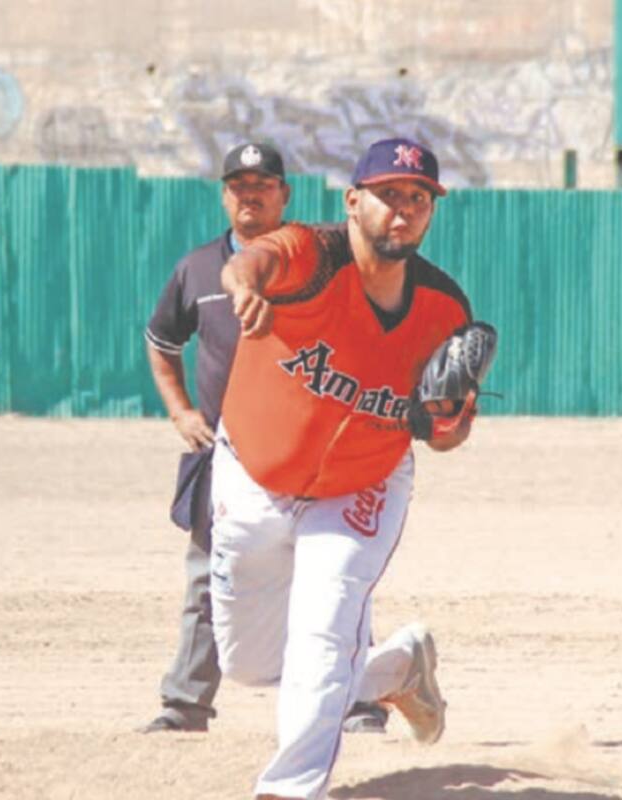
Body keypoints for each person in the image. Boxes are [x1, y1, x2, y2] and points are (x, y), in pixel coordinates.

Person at [212, 137, 476, 799]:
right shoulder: (310, 253)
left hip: (362, 484)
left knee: (324, 630)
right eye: (388, 195)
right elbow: (249, 262)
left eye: (418, 198)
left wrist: (447, 423)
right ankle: (397, 669)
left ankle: (289, 788)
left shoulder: (444, 309)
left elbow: (448, 436)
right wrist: (245, 286)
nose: (403, 209)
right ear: (353, 201)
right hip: (253, 472)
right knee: (250, 665)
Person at [140, 142, 390, 735]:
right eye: (238, 186)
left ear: (285, 194)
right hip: (229, 454)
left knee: (333, 575)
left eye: (263, 185)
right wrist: (180, 412)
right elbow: (162, 341)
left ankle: (359, 702)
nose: (249, 195)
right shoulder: (198, 269)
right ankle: (185, 705)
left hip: (312, 448)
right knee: (210, 576)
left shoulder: (321, 260)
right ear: (224, 195)